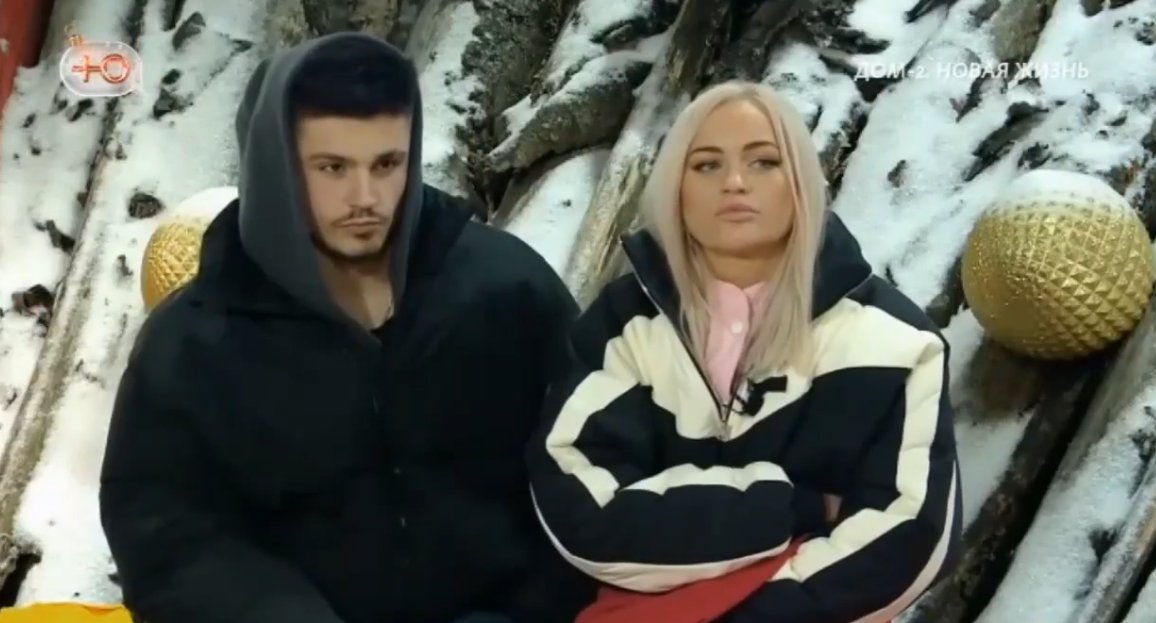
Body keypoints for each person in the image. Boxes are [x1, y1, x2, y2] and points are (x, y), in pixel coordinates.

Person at [99, 33, 591, 623]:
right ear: (277, 169)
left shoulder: (506, 290)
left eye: (387, 164)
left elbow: (597, 459)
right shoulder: (191, 345)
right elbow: (167, 536)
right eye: (333, 168)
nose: (366, 198)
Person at [527, 80, 963, 623]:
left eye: (764, 162)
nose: (734, 182)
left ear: (800, 180)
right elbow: (581, 511)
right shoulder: (621, 325)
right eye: (707, 165)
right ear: (676, 188)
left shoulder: (897, 343)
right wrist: (797, 507)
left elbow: (905, 539)